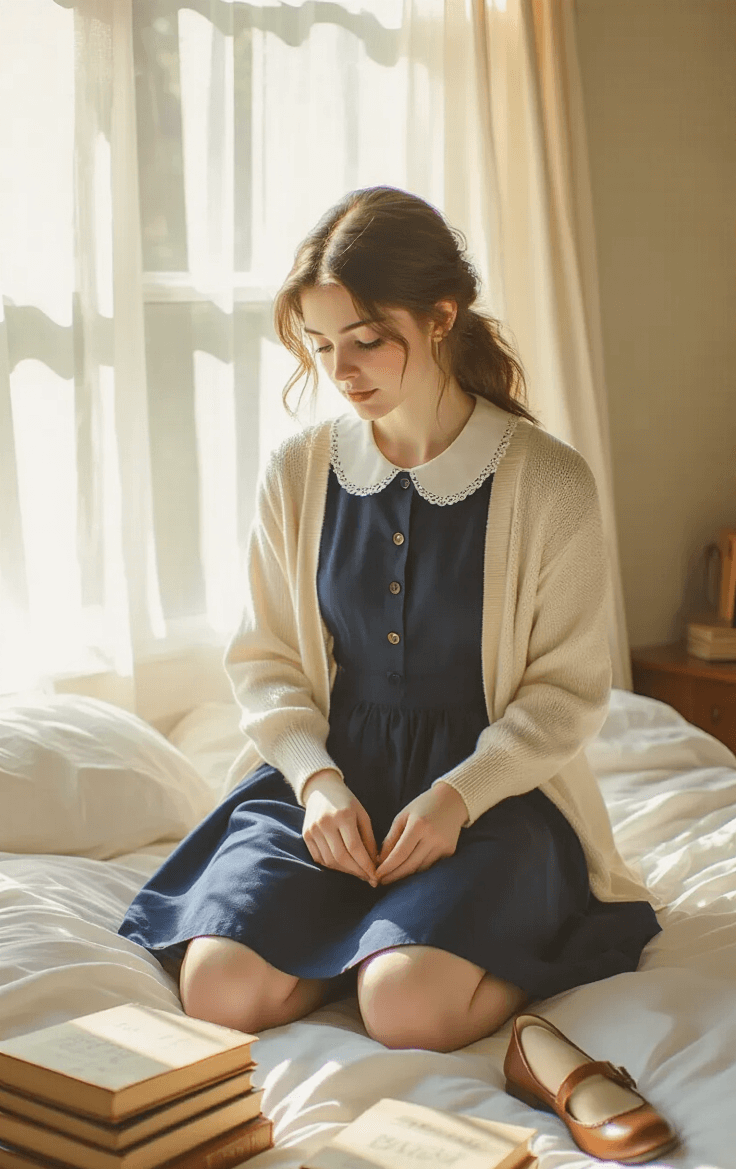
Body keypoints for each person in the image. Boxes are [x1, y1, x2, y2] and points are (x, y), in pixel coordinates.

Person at [117, 184, 664, 1060]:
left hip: (489, 793)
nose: (342, 370)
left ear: (441, 317)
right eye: (321, 344)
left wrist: (458, 797)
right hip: (331, 781)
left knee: (405, 1009)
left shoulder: (549, 484)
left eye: (367, 340)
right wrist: (314, 780)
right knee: (220, 990)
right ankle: (364, 932)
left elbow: (566, 696)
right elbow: (263, 662)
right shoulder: (297, 473)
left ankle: (445, 948)